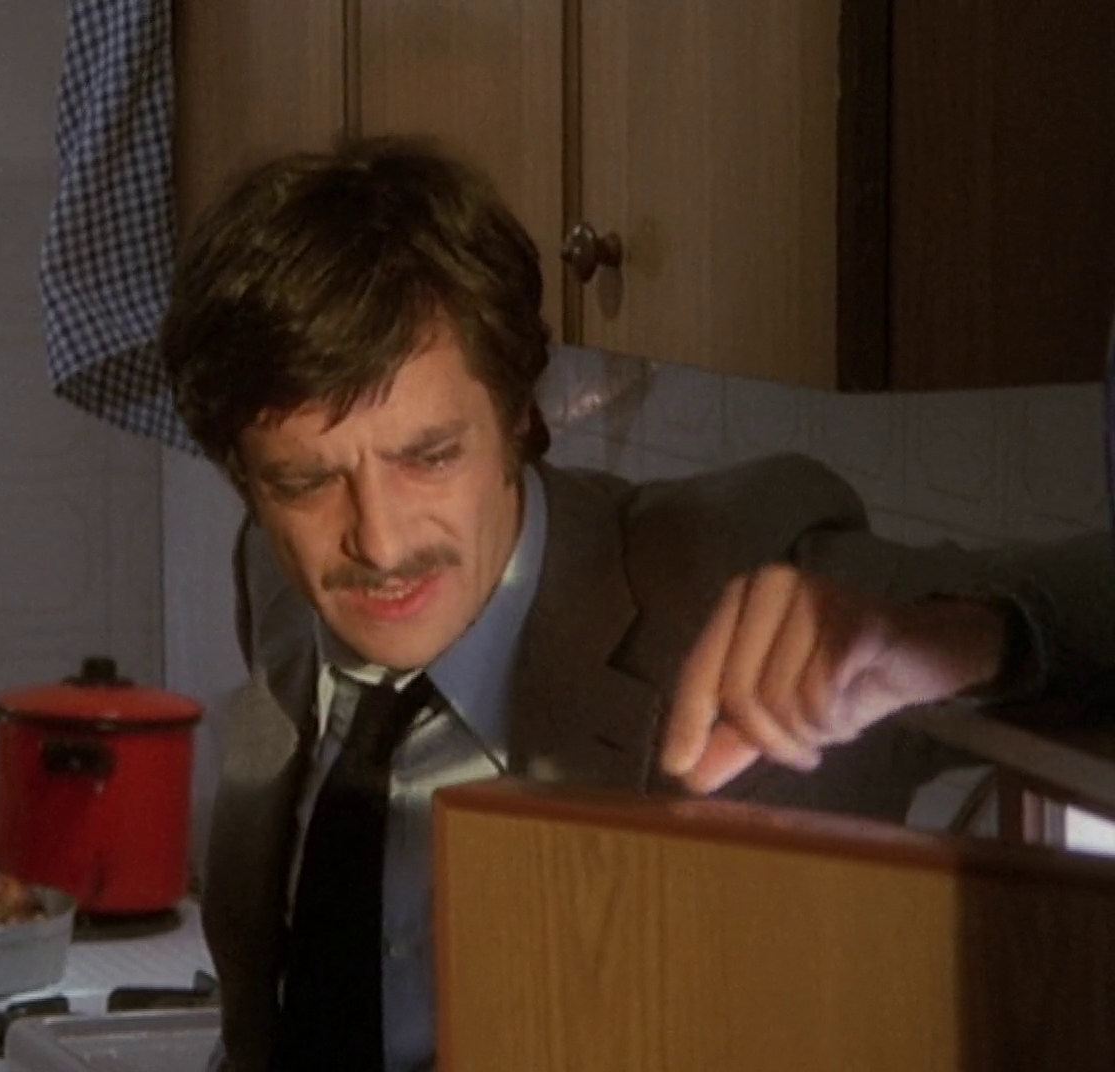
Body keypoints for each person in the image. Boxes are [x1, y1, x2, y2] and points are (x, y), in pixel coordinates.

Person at [157, 136, 1115, 1072]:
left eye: (431, 456)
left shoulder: (720, 575)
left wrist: (944, 637)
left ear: (518, 415)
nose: (379, 542)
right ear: (247, 482)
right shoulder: (276, 577)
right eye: (306, 483)